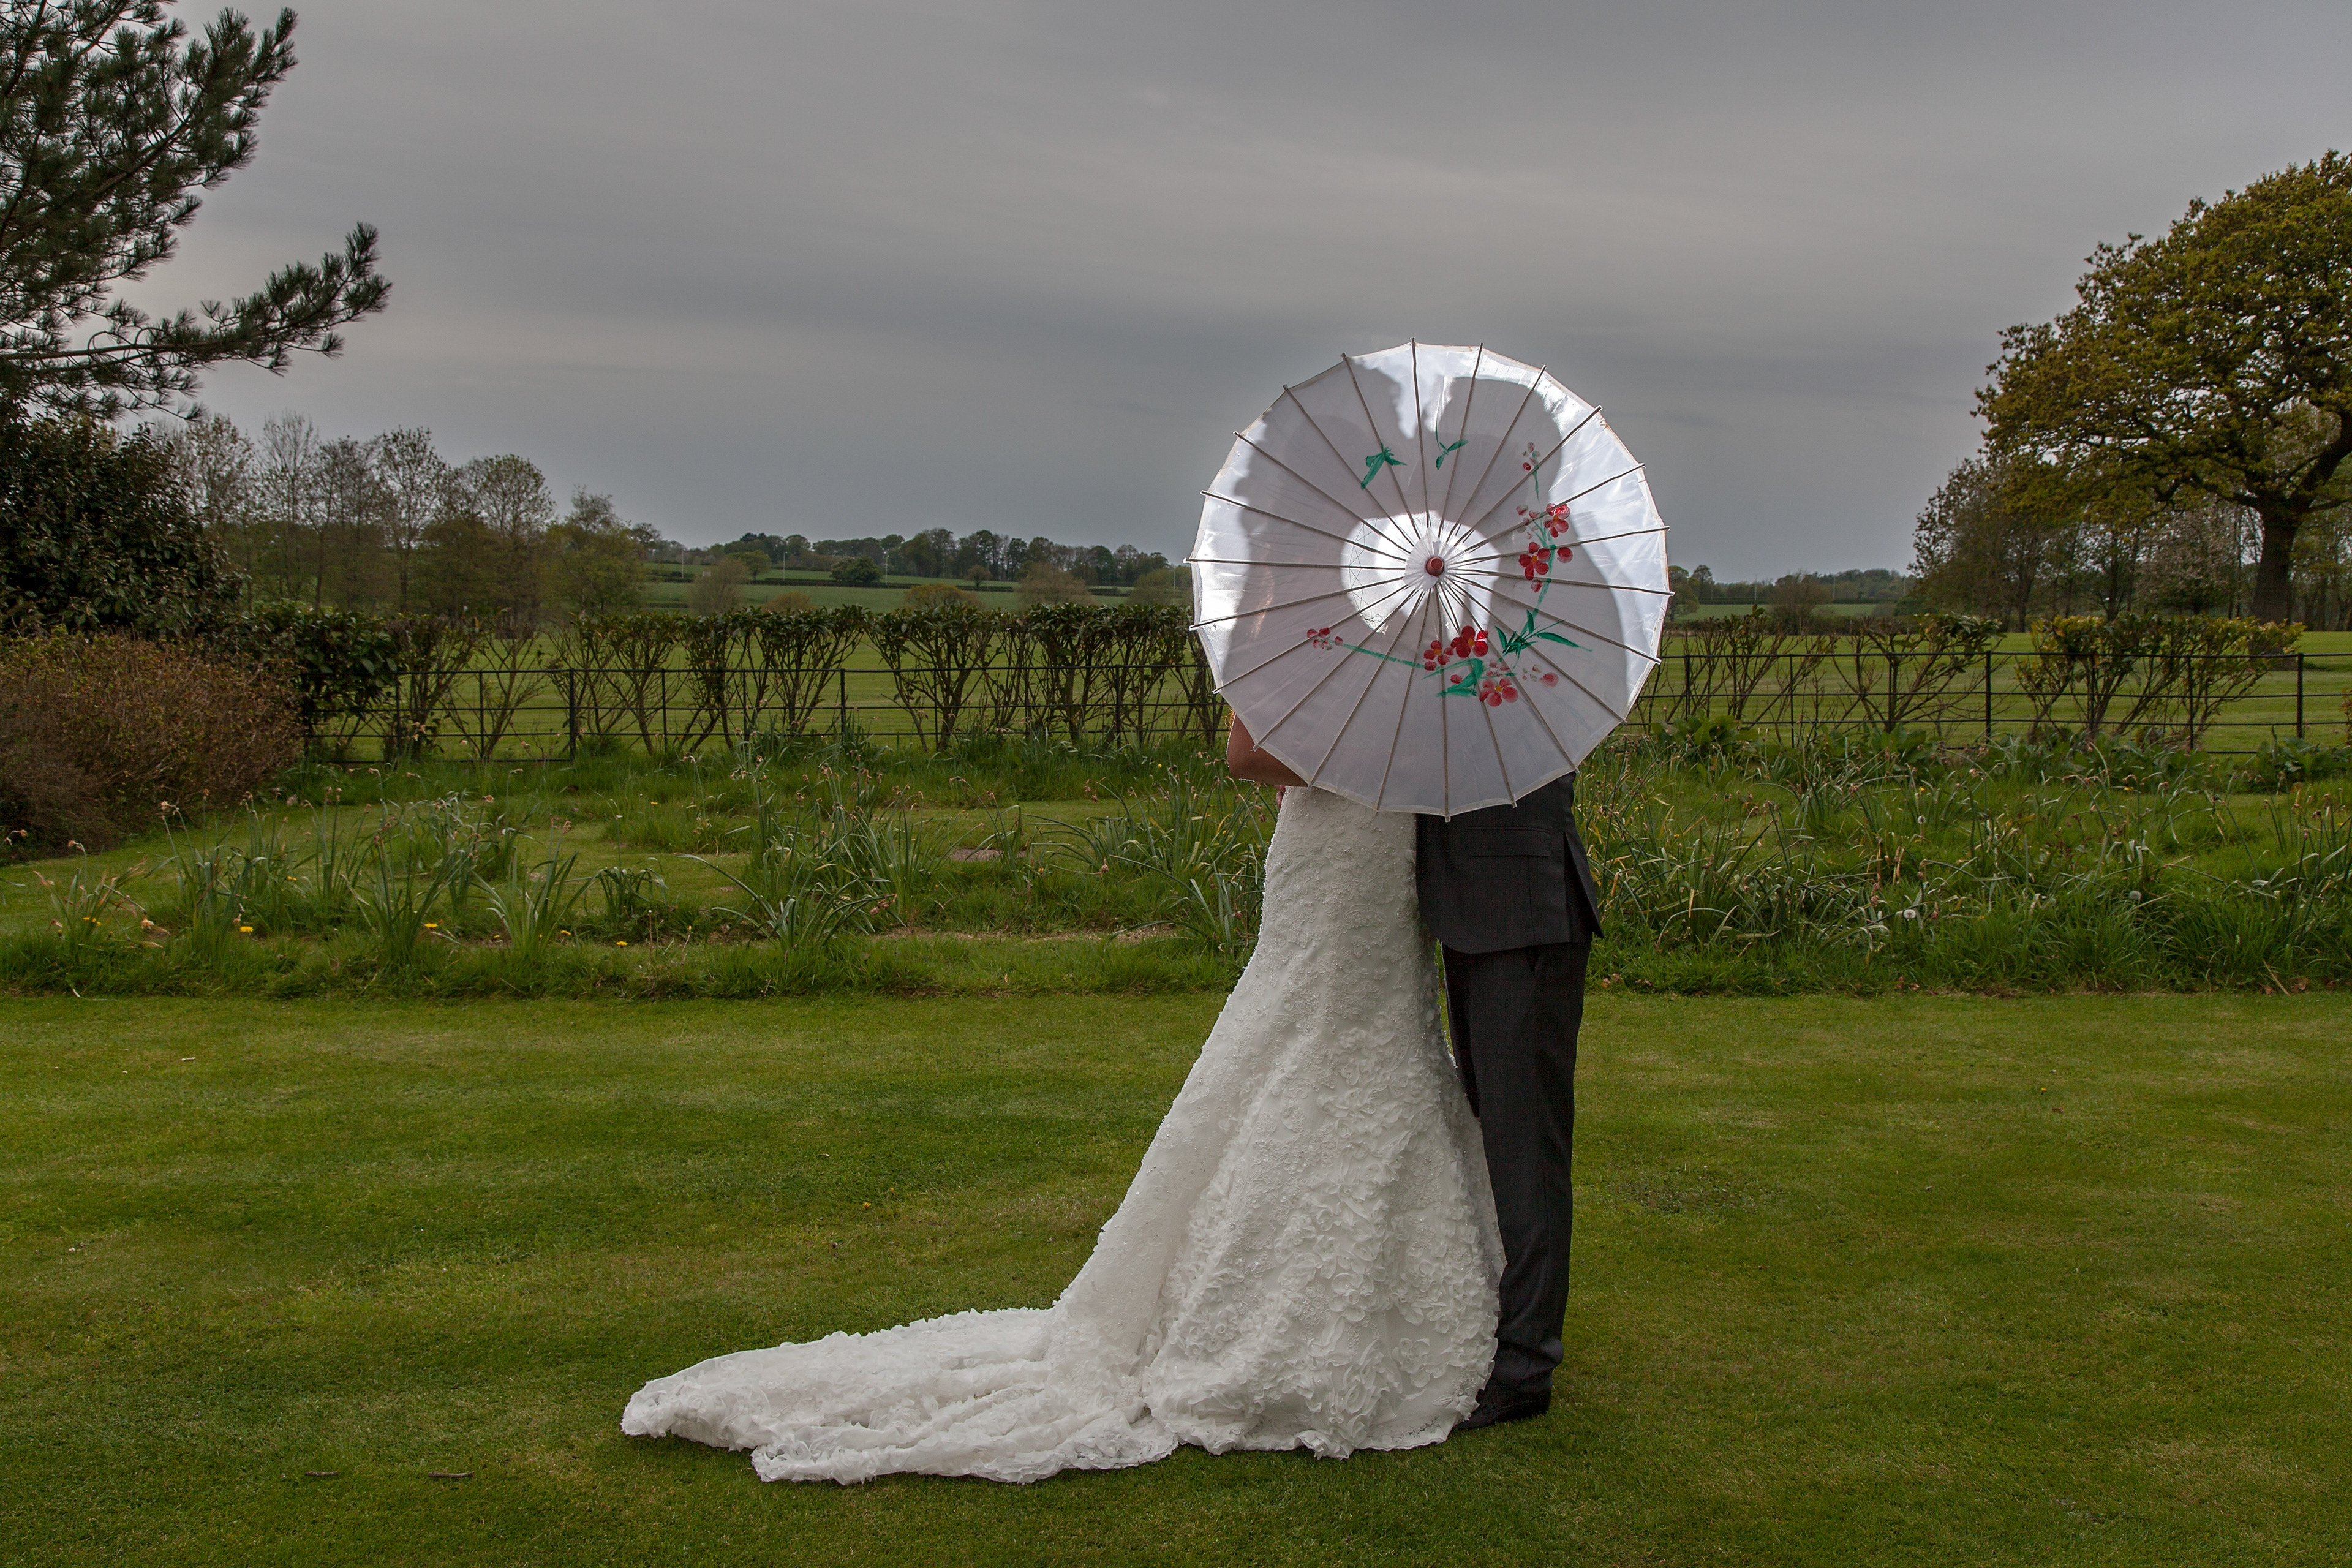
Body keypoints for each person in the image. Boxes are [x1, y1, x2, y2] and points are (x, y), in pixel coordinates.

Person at [620, 715, 1504, 1483]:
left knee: (1386, 1031)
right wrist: (1375, 756)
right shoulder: (1298, 616)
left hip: (1393, 854)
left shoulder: (1419, 626)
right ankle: (1253, 1312)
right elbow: (1247, 753)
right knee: (1307, 1033)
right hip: (1333, 838)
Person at [1417, 770, 1603, 1428]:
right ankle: (1511, 1324)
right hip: (1478, 916)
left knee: (1528, 1149)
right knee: (1498, 1129)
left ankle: (1527, 1366)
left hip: (1523, 915)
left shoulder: (1520, 676)